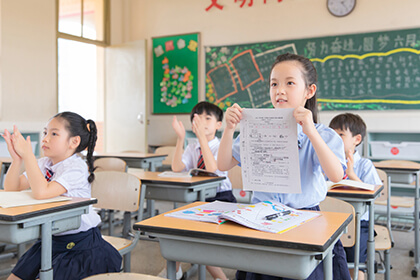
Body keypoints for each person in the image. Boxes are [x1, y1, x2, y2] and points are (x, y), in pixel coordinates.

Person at [217, 53, 350, 280]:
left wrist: (310, 131)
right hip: (262, 220)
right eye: (274, 84)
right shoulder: (256, 128)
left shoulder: (323, 134)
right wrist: (228, 129)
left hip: (306, 222)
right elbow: (222, 164)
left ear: (309, 91)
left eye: (290, 83)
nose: (280, 90)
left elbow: (336, 175)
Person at [3, 112, 122, 280]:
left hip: (81, 245)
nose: (45, 138)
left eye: (54, 134)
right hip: (51, 239)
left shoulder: (76, 167)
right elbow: (11, 187)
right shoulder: (45, 163)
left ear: (74, 142)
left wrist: (28, 155)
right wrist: (17, 160)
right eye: (45, 133)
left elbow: (42, 192)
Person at [165, 101, 235, 280]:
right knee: (178, 229)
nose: (202, 121)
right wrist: (181, 138)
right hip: (202, 200)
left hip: (223, 200)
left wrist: (202, 139)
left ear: (218, 125)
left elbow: (212, 169)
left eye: (207, 118)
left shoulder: (222, 146)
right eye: (198, 117)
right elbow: (177, 167)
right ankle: (176, 271)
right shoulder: (192, 145)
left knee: (198, 238)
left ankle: (220, 278)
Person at [329, 112, 382, 280]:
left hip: (359, 224)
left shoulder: (364, 165)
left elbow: (373, 194)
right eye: (331, 134)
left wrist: (351, 174)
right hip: (331, 220)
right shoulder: (326, 162)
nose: (334, 139)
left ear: (357, 139)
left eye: (340, 135)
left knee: (356, 260)